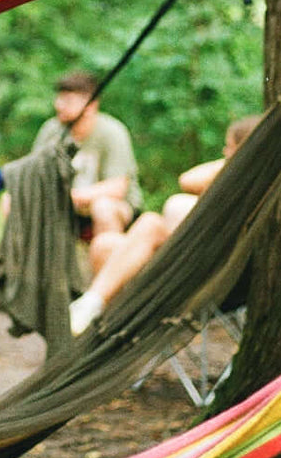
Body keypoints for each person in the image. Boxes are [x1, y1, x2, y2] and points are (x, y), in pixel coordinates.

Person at [68, 113, 261, 335]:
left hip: (204, 278)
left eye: (229, 148)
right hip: (182, 263)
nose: (224, 153)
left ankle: (99, 308)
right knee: (105, 243)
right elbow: (189, 179)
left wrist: (241, 158)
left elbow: (188, 182)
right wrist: (233, 162)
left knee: (151, 223)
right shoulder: (227, 181)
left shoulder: (253, 189)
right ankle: (109, 325)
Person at [23, 69, 142, 273]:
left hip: (113, 209)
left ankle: (104, 291)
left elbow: (117, 188)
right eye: (59, 99)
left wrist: (71, 196)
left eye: (68, 100)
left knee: (103, 207)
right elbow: (32, 174)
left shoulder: (111, 132)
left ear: (91, 105)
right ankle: (23, 284)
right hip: (64, 209)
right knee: (12, 201)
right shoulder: (52, 130)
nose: (58, 105)